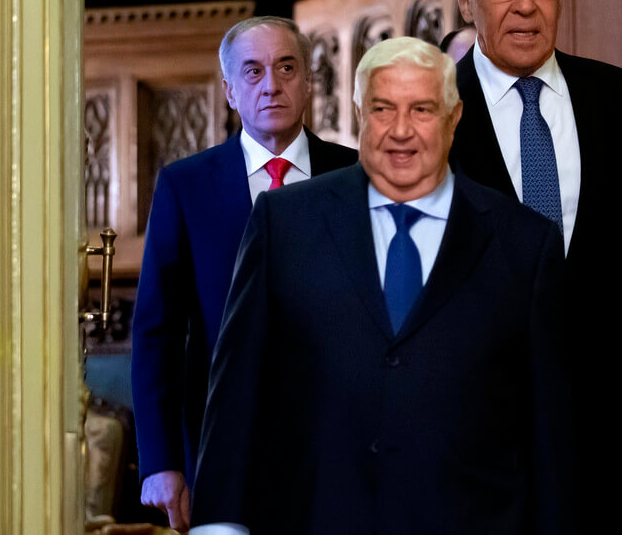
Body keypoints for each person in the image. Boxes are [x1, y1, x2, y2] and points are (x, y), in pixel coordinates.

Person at [189, 37, 575, 535]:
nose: (400, 131)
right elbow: (237, 395)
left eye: (421, 109)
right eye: (382, 108)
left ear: (454, 119)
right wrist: (219, 526)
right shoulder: (283, 224)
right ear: (357, 113)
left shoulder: (525, 243)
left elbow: (548, 433)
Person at [448, 0, 622, 532]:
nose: (525, 6)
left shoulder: (618, 99)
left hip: (608, 447)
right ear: (467, 0)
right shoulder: (435, 115)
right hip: (480, 448)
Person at [131, 16, 357, 531]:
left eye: (286, 67)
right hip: (221, 451)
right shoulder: (185, 186)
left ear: (308, 82)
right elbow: (157, 334)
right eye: (252, 73)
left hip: (338, 448)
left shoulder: (357, 177)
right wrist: (162, 461)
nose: (271, 85)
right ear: (230, 91)